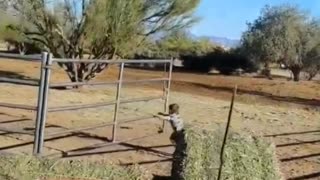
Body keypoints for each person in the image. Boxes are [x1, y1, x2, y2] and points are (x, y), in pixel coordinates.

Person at [156, 104, 187, 180]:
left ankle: (179, 150)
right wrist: (162, 114)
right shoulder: (176, 115)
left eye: (169, 109)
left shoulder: (172, 117)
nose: (168, 111)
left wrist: (158, 116)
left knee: (173, 139)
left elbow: (166, 118)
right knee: (177, 141)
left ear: (171, 110)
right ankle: (178, 148)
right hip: (182, 131)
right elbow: (167, 116)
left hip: (178, 133)